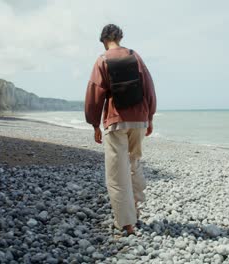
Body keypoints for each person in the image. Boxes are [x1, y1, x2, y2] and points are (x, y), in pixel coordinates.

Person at [84, 24, 157, 236]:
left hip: (116, 121)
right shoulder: (135, 56)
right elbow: (149, 88)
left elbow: (94, 94)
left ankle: (126, 223)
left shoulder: (102, 60)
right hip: (139, 119)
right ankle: (135, 210)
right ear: (120, 36)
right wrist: (149, 117)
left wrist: (94, 124)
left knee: (117, 174)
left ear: (104, 40)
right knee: (134, 163)